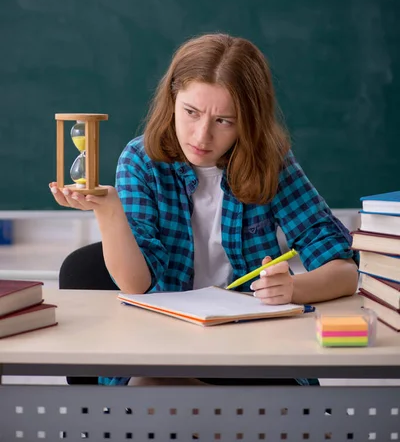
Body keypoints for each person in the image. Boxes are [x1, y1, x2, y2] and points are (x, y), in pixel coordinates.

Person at [50, 33, 358, 386]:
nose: (201, 136)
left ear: (248, 121)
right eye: (191, 113)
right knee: (154, 391)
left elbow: (344, 272)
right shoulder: (140, 160)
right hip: (162, 346)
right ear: (172, 99)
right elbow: (136, 284)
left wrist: (292, 289)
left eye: (223, 121)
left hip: (250, 348)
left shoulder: (270, 161)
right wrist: (108, 209)